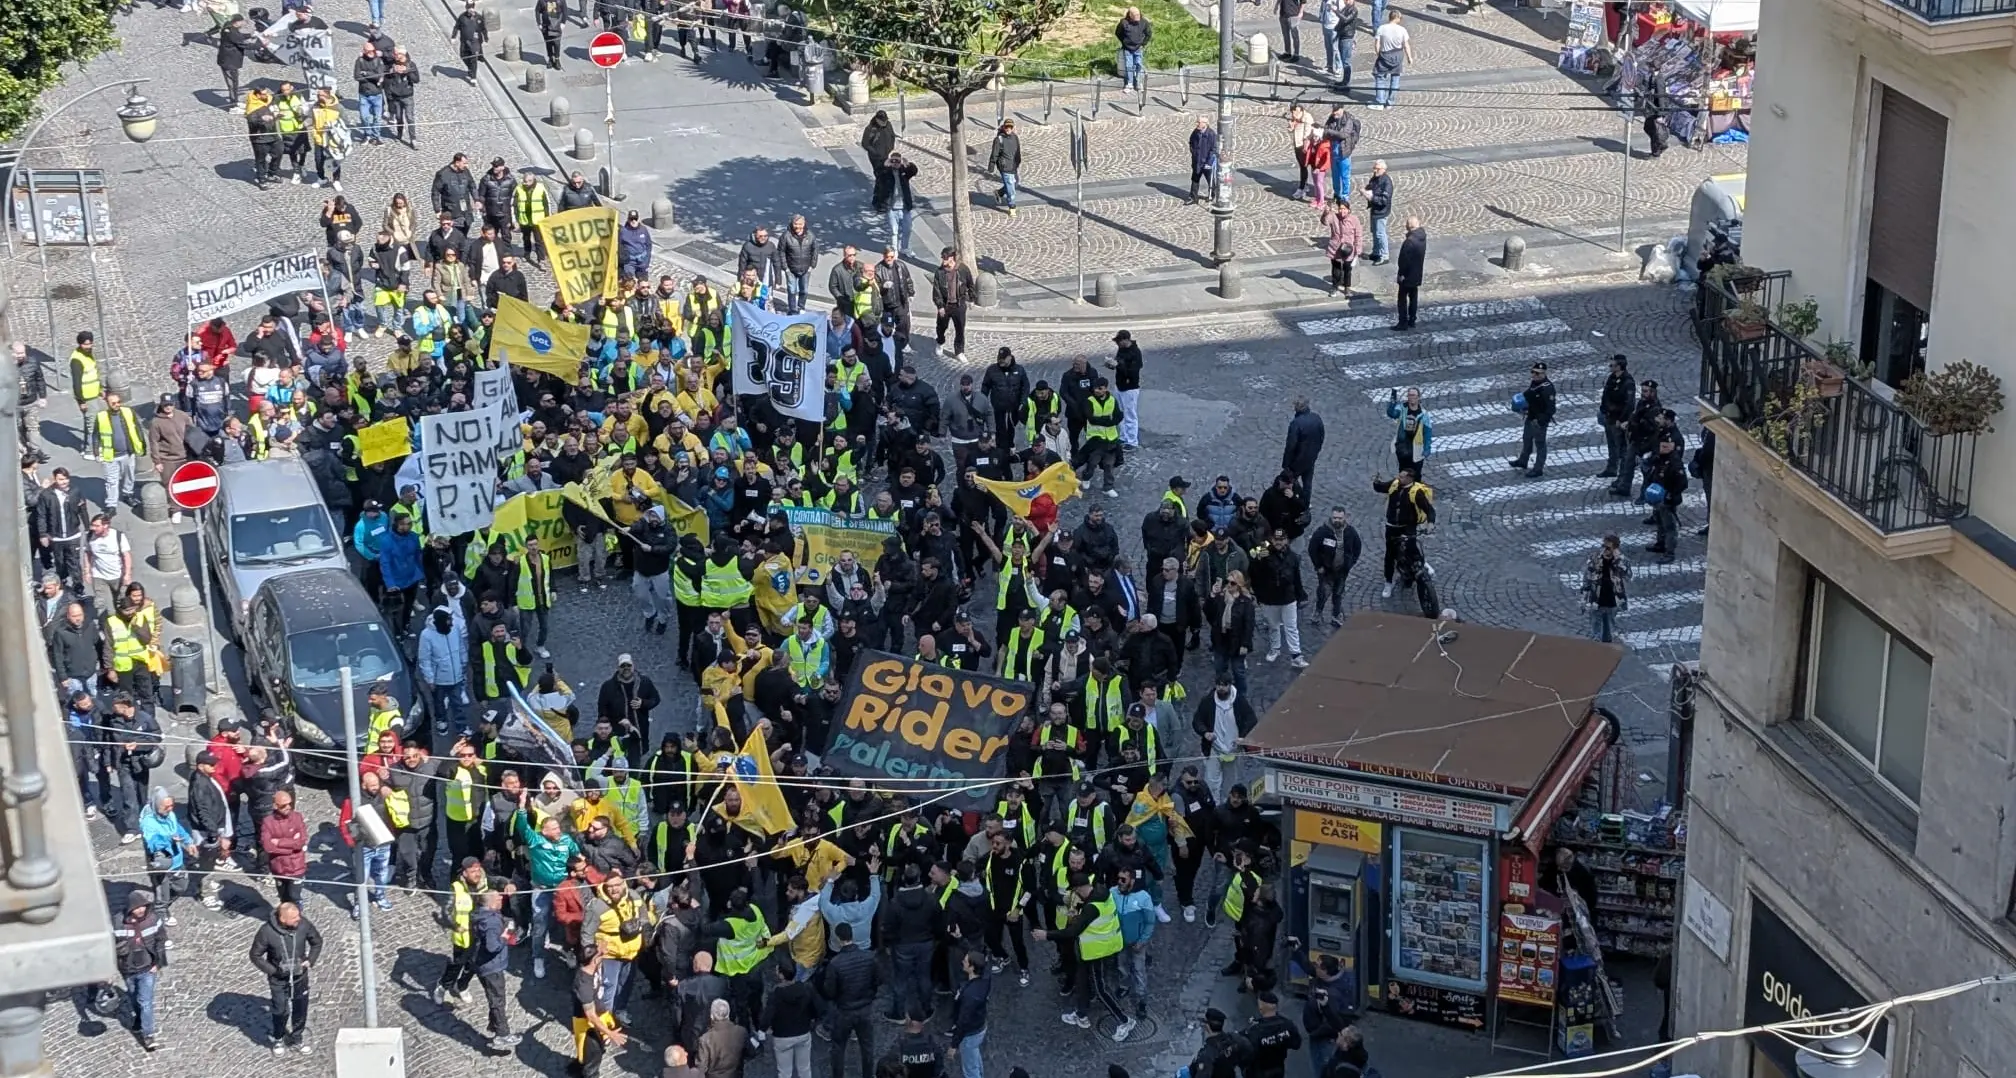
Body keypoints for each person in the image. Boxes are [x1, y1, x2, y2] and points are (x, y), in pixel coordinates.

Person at [248, 901, 322, 1054]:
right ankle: (278, 1038)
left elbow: (317, 942)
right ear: (283, 919)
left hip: (300, 977)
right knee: (280, 1010)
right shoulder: (266, 932)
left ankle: (297, 1038)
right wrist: (273, 971)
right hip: (278, 980)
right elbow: (255, 955)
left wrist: (310, 960)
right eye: (294, 918)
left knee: (300, 1008)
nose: (298, 919)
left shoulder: (303, 924)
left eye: (298, 916)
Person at [112, 889, 169, 1052]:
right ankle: (138, 1020)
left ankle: (148, 1035)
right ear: (130, 909)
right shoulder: (117, 922)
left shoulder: (153, 919)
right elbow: (110, 946)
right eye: (137, 908)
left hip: (147, 968)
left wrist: (158, 963)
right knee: (133, 997)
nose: (141, 910)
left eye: (143, 906)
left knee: (146, 1002)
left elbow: (161, 939)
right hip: (128, 969)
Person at [574, 942, 628, 1077]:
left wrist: (601, 949)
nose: (604, 953)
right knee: (592, 1056)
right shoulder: (583, 985)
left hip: (601, 1013)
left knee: (600, 1048)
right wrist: (610, 1033)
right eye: (601, 954)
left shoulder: (593, 966)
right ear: (594, 960)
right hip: (588, 1025)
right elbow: (590, 1015)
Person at [1306, 508, 1360, 628]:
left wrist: (1350, 563)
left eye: (1340, 518)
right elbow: (1312, 549)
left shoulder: (1350, 532)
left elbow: (1357, 548)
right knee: (1323, 593)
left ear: (1345, 518)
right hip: (1326, 571)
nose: (1337, 520)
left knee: (1338, 593)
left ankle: (1336, 616)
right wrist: (1318, 566)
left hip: (1342, 571)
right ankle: (1317, 612)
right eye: (1335, 517)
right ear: (1331, 517)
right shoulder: (1323, 532)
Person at [1509, 361, 1558, 478]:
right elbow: (1528, 395)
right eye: (1533, 372)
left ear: (1544, 374)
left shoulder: (1547, 388)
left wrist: (1541, 421)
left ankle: (1538, 468)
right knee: (1526, 439)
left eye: (1538, 373)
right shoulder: (1534, 383)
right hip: (1531, 416)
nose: (1534, 375)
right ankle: (1523, 460)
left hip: (1539, 421)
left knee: (1540, 444)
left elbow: (1551, 409)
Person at [1244, 991, 1305, 1078]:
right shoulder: (1287, 1024)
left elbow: (1248, 1053)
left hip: (1259, 1070)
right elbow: (1296, 1044)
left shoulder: (1255, 1029)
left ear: (1261, 1007)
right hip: (1278, 1068)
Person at [948, 949, 989, 1078]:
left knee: (970, 1067)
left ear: (971, 968)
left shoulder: (970, 995)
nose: (962, 962)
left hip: (970, 1033)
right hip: (980, 1025)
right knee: (974, 1055)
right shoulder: (985, 977)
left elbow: (963, 1021)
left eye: (965, 961)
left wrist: (954, 1045)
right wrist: (960, 938)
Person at [1581, 535, 1630, 643]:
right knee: (1595, 625)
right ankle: (1596, 645)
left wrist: (1617, 560)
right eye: (1603, 546)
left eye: (1608, 548)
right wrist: (1584, 597)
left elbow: (1627, 575)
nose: (1604, 550)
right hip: (1596, 597)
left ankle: (1607, 645)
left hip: (1613, 599)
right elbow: (1587, 576)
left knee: (1609, 628)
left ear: (1615, 549)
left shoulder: (1621, 560)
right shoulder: (1595, 558)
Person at [931, 248, 975, 362]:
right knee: (941, 327)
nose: (943, 260)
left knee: (960, 329)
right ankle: (940, 342)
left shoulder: (962, 269)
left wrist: (971, 299)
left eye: (945, 258)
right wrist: (940, 306)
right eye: (942, 257)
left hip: (959, 305)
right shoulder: (939, 272)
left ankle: (959, 351)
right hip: (945, 305)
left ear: (951, 258)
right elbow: (936, 291)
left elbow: (970, 284)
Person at [1370, 10, 1412, 109]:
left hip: (1385, 54)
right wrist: (1409, 57)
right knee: (1395, 78)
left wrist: (1378, 53)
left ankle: (1380, 101)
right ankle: (1390, 102)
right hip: (1398, 54)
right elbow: (1406, 45)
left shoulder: (1382, 28)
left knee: (1380, 77)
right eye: (1400, 18)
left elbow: (1377, 44)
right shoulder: (1402, 30)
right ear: (1397, 18)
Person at [1320, 198, 1362, 298]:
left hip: (1348, 249)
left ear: (1348, 210)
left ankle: (1347, 288)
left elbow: (1358, 235)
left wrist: (1358, 249)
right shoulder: (1333, 217)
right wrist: (1325, 213)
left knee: (1347, 269)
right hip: (1335, 248)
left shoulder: (1354, 220)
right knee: (1336, 270)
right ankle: (1335, 286)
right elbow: (1324, 222)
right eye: (1340, 209)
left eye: (1344, 209)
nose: (1341, 211)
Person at [696, 997, 746, 1078]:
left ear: (712, 1016)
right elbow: (751, 1053)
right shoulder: (741, 1032)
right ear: (728, 1013)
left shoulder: (705, 1038)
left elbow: (701, 1067)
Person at [1391, 215, 1426, 330]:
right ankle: (1412, 320)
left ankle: (1403, 322)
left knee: (1402, 299)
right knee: (1413, 297)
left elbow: (1403, 261)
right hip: (1417, 274)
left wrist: (1401, 274)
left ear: (1408, 226)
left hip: (1407, 276)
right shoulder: (1422, 237)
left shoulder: (1409, 242)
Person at [987, 120, 1021, 215]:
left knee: (1015, 183)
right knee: (1011, 187)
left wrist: (1018, 162)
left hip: (1013, 166)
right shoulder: (999, 139)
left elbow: (1018, 151)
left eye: (1010, 127)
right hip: (1005, 166)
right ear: (1003, 127)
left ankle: (999, 192)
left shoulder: (1015, 138)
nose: (1008, 129)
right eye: (1006, 127)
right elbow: (994, 154)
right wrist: (991, 166)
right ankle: (1012, 206)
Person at [1115, 7, 1152, 90]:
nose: (1138, 16)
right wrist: (1124, 42)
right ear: (1130, 15)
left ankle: (1138, 83)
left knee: (1139, 65)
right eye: (1135, 15)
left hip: (1138, 48)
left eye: (1138, 14)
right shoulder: (1124, 22)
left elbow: (1148, 34)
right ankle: (1129, 83)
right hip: (1127, 48)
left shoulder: (1144, 22)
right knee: (1129, 66)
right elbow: (1118, 33)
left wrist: (1143, 44)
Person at [1363, 160, 1392, 263]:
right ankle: (1376, 252)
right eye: (1374, 168)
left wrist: (1371, 197)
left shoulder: (1386, 182)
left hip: (1381, 211)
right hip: (1375, 210)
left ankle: (1384, 255)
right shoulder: (1376, 178)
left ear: (1383, 169)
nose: (1375, 170)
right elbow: (1371, 186)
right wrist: (1366, 190)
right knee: (1375, 232)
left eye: (1377, 169)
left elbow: (1384, 200)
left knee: (1380, 233)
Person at [1187, 116, 1218, 206]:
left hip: (1206, 162)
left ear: (1205, 124)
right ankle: (1193, 197)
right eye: (1197, 122)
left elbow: (1213, 149)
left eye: (1199, 122)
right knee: (1195, 179)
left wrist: (1208, 162)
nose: (1197, 124)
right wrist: (1194, 153)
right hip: (1197, 161)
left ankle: (1212, 194)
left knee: (1210, 180)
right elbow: (1191, 142)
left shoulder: (1211, 134)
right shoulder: (1196, 132)